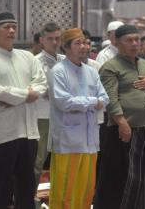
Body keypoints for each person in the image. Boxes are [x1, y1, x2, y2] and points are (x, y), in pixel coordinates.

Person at [96, 25, 145, 209]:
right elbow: (110, 98)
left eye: (136, 39)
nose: (134, 44)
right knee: (129, 178)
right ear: (117, 42)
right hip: (126, 129)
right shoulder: (110, 67)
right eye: (129, 40)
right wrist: (122, 123)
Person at [47, 28, 109, 209]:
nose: (84, 47)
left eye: (86, 42)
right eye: (78, 43)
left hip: (90, 141)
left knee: (86, 189)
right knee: (65, 189)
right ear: (66, 47)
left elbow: (105, 99)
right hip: (67, 141)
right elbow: (64, 102)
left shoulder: (92, 71)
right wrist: (92, 102)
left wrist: (89, 103)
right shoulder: (58, 71)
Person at [0, 12, 47, 209]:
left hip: (28, 132)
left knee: (26, 185)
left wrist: (13, 98)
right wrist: (25, 96)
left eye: (14, 26)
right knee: (0, 186)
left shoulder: (27, 57)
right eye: (6, 27)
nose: (12, 30)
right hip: (2, 134)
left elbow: (41, 83)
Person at [34, 22, 65, 194]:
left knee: (61, 159)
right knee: (39, 160)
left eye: (57, 39)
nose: (55, 42)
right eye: (50, 39)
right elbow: (42, 91)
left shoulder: (64, 60)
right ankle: (30, 198)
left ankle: (58, 195)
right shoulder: (35, 61)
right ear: (42, 40)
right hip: (43, 116)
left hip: (64, 116)